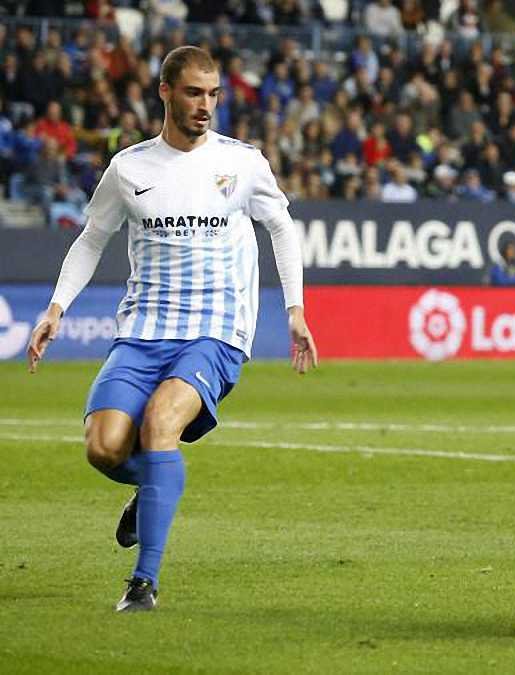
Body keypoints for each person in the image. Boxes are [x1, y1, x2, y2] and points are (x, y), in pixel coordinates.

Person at [24, 46, 318, 612]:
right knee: (103, 447)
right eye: (193, 93)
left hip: (216, 331)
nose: (206, 105)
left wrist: (295, 310)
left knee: (161, 422)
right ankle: (151, 486)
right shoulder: (129, 168)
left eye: (213, 94)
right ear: (165, 92)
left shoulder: (242, 163)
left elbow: (282, 228)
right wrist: (56, 308)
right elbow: (91, 238)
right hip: (142, 331)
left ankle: (143, 583)